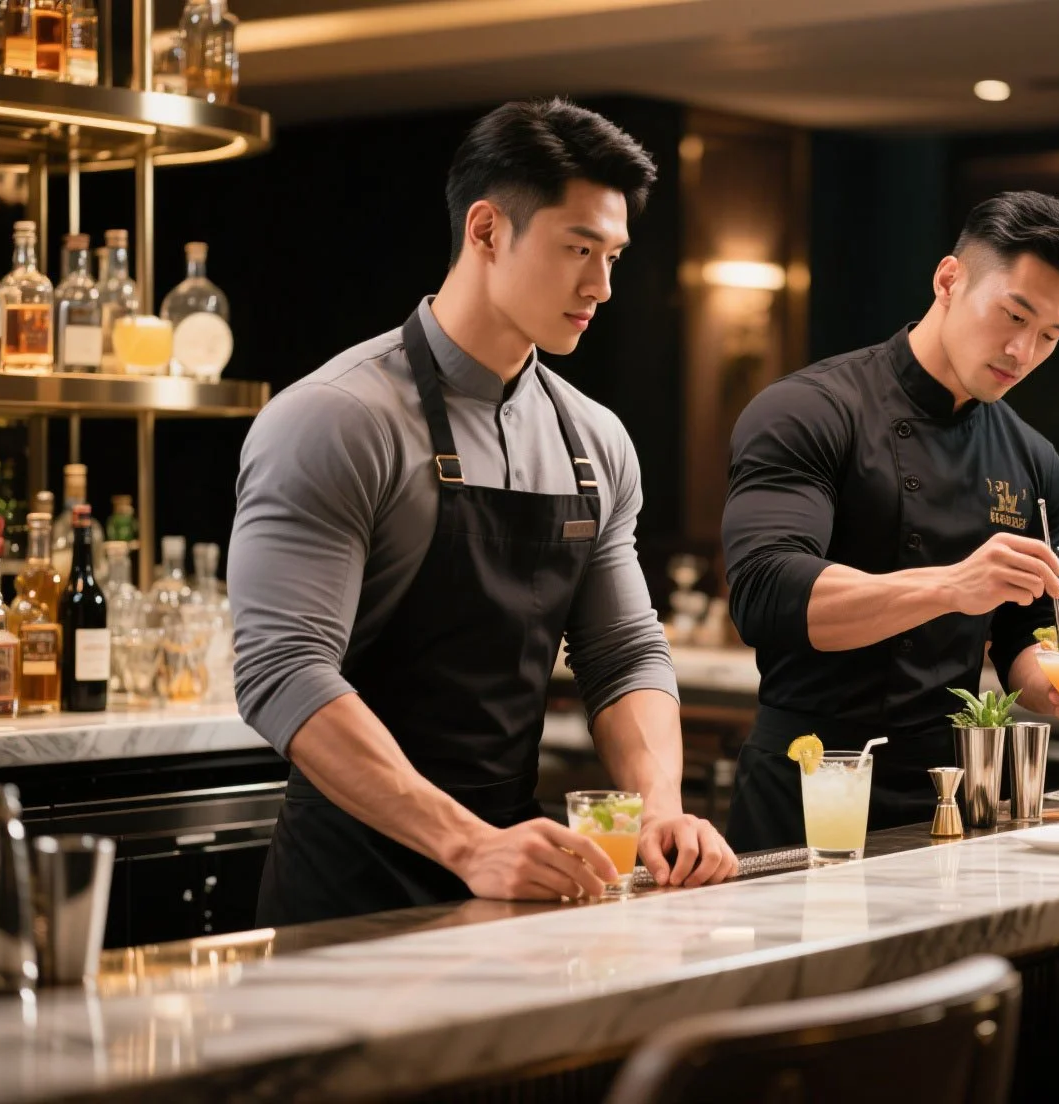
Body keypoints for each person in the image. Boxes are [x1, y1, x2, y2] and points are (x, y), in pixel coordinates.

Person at [231, 99, 736, 926]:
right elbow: (283, 670)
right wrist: (465, 843)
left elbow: (623, 651)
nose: (601, 287)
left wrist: (659, 807)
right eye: (578, 249)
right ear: (488, 230)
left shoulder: (595, 439)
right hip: (351, 888)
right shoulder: (334, 418)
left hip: (520, 872)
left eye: (612, 256)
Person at [721, 191, 1059, 852]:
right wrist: (954, 588)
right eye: (1013, 315)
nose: (1023, 350)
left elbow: (1028, 630)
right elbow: (767, 593)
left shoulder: (1033, 460)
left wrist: (1054, 679)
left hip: (952, 799)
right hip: (810, 786)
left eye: (1050, 335)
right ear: (949, 280)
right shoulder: (808, 411)